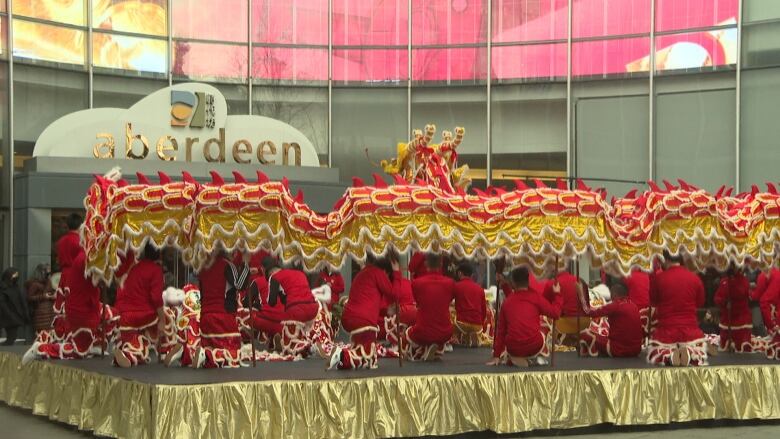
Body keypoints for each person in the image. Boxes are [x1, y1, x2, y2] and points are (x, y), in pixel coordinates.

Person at [23, 253, 104, 363]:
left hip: (72, 310)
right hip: (70, 312)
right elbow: (62, 293)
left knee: (69, 338)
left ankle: (92, 346)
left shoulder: (73, 269)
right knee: (74, 348)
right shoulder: (73, 269)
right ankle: (41, 349)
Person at [329, 254, 400, 370]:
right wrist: (397, 273)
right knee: (367, 353)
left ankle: (344, 358)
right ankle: (342, 355)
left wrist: (386, 311)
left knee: (363, 352)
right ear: (385, 271)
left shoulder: (362, 274)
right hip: (363, 321)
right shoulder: (378, 273)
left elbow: (367, 303)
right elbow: (395, 295)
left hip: (350, 318)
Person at [487, 267, 562, 367]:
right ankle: (535, 357)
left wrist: (496, 356)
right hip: (534, 345)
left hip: (513, 347)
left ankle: (515, 358)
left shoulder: (507, 302)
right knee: (544, 327)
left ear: (513, 283)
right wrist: (557, 294)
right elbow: (555, 313)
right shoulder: (536, 298)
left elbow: (501, 332)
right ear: (528, 280)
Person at [647, 253, 710, 367]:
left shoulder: (659, 279)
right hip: (691, 331)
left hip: (666, 331)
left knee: (657, 351)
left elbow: (653, 301)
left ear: (665, 260)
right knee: (697, 348)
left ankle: (670, 357)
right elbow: (700, 302)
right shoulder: (695, 278)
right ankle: (690, 354)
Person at [112, 244, 166, 367]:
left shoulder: (134, 267)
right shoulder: (155, 269)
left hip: (124, 315)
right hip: (142, 315)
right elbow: (156, 298)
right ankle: (166, 350)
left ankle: (126, 352)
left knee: (131, 341)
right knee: (168, 315)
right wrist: (162, 319)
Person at [196, 251, 250, 368]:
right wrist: (246, 265)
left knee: (212, 346)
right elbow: (240, 285)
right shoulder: (228, 265)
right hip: (223, 315)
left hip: (205, 317)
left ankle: (205, 354)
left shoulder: (203, 268)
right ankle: (208, 355)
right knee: (231, 352)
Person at [402, 253, 456, 362]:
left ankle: (423, 350)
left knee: (407, 334)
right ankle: (433, 349)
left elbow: (419, 303)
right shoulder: (451, 283)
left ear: (426, 263)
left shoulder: (416, 283)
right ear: (441, 263)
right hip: (446, 332)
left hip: (423, 330)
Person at [263, 257, 320, 357]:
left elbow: (271, 302)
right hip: (313, 308)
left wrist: (277, 294)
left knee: (289, 342)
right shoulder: (299, 273)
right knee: (299, 330)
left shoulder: (274, 277)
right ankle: (309, 342)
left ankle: (305, 346)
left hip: (296, 310)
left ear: (269, 273)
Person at [578, 282, 643, 358]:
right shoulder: (633, 305)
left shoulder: (615, 306)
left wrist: (581, 299)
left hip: (618, 350)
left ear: (614, 294)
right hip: (636, 350)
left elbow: (589, 313)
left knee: (584, 333)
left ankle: (589, 356)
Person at [52, 213, 83, 341]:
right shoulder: (80, 241)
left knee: (63, 305)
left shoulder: (60, 242)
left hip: (64, 275)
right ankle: (74, 335)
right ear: (80, 225)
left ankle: (61, 333)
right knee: (77, 305)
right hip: (77, 276)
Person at [713, 266, 753, 353]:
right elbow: (717, 298)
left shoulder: (743, 281)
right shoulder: (724, 282)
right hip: (728, 321)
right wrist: (724, 302)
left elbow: (742, 293)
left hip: (741, 321)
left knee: (742, 349)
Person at [453, 262, 487, 347]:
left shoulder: (456, 286)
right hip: (477, 325)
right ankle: (471, 336)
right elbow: (484, 310)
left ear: (460, 273)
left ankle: (456, 338)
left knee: (450, 314)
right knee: (472, 326)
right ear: (472, 275)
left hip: (462, 323)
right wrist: (481, 324)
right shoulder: (480, 289)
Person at [26, 264, 56, 343]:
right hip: (40, 311)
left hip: (49, 310)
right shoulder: (34, 284)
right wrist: (44, 296)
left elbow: (51, 291)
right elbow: (30, 297)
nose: (48, 273)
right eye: (46, 271)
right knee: (42, 333)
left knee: (49, 331)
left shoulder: (48, 282)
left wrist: (53, 295)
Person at [1, 268, 29, 345]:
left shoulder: (16, 287)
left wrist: (25, 313)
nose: (15, 278)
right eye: (14, 276)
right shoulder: (3, 288)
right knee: (10, 339)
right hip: (7, 315)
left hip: (14, 315)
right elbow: (3, 303)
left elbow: (22, 301)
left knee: (11, 338)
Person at [751, 267, 780, 333]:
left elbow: (758, 297)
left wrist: (772, 325)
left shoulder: (763, 276)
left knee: (763, 301)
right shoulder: (775, 274)